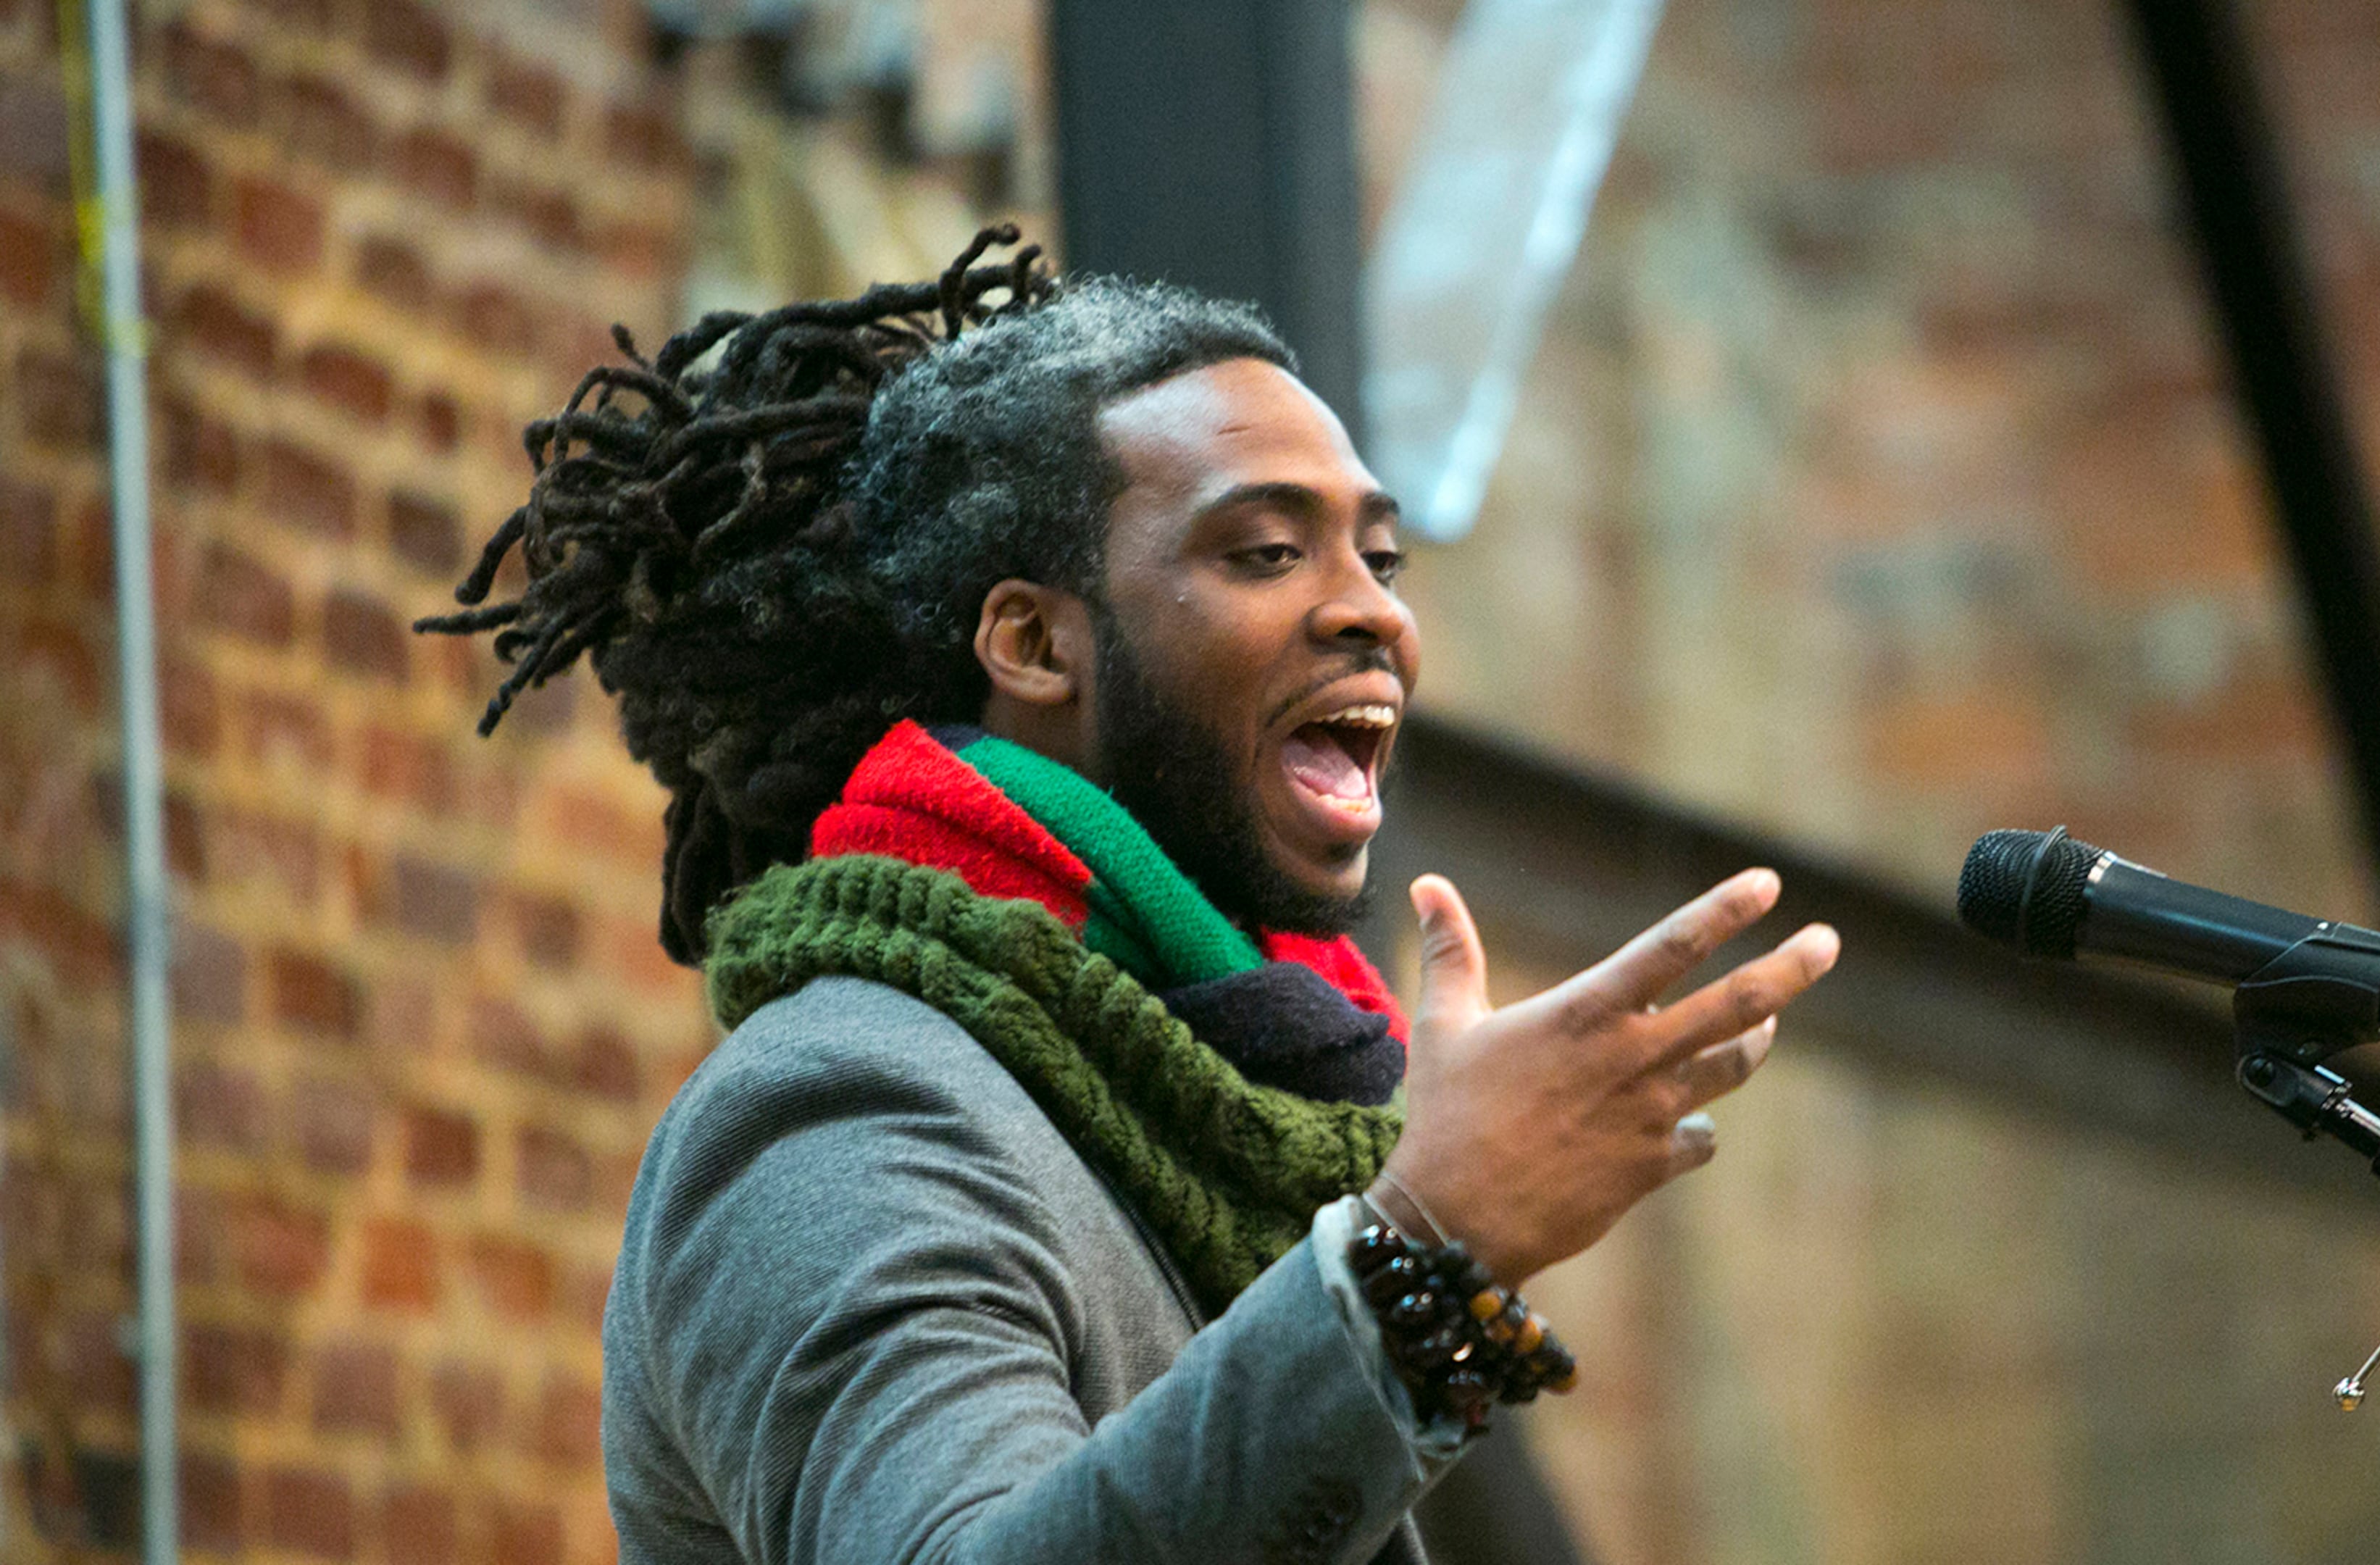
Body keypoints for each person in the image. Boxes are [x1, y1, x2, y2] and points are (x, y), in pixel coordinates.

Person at [421, 227, 1839, 1565]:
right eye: (1267, 552)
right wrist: (1422, 1244)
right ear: (1035, 643)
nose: (1376, 613)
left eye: (1380, 558)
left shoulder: (1245, 1117)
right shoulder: (841, 1108)